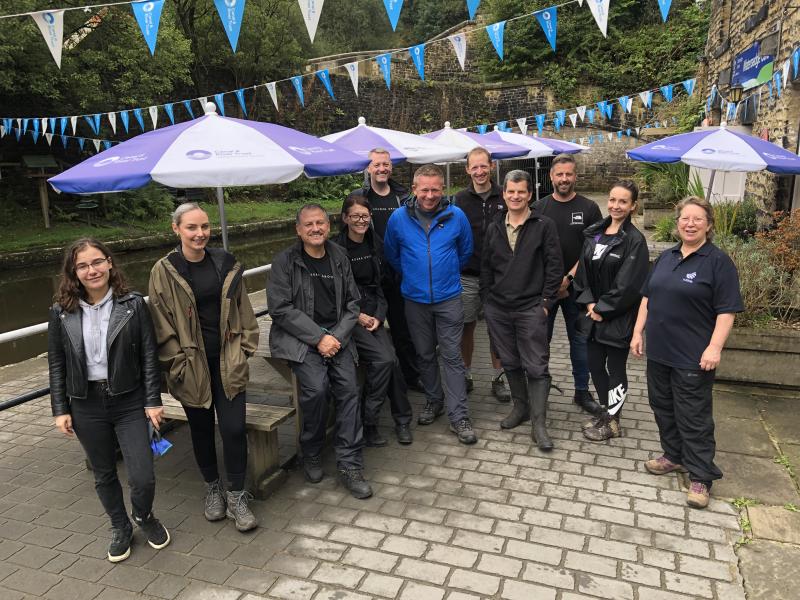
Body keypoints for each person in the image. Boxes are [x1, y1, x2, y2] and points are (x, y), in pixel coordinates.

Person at [48, 239, 170, 563]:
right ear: (74, 272)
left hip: (129, 401)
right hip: (86, 403)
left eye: (97, 262)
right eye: (83, 266)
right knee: (103, 473)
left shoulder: (132, 304)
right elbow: (57, 362)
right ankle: (120, 526)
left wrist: (153, 399)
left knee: (143, 475)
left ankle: (143, 516)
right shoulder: (61, 312)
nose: (92, 270)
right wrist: (60, 409)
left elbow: (148, 353)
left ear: (109, 263)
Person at [148, 203, 259, 531]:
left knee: (234, 428)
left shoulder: (225, 263)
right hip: (190, 366)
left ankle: (237, 494)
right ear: (176, 229)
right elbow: (159, 324)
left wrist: (245, 348)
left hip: (227, 360)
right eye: (192, 228)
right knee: (200, 429)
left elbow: (245, 310)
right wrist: (176, 363)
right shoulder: (164, 270)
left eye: (205, 227)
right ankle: (213, 488)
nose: (200, 234)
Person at [631, 196, 743, 509]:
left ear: (708, 225)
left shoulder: (717, 262)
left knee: (693, 417)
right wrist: (638, 332)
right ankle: (673, 455)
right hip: (660, 351)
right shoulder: (666, 257)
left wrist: (714, 347)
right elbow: (646, 298)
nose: (689, 224)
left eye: (697, 219)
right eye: (684, 218)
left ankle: (701, 475)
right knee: (662, 406)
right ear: (677, 222)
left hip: (694, 356)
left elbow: (727, 310)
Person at [267, 204, 372, 499]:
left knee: (350, 389)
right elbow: (280, 309)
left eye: (321, 223)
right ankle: (310, 450)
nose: (316, 229)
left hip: (337, 337)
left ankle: (350, 463)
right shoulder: (285, 262)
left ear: (328, 226)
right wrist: (318, 338)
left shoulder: (338, 256)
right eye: (309, 224)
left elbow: (353, 303)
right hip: (301, 339)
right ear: (298, 230)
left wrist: (335, 337)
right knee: (316, 390)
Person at [383, 164, 476, 444]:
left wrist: (445, 274)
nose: (430, 195)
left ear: (442, 189)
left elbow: (465, 252)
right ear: (414, 189)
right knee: (424, 354)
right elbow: (392, 255)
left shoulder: (456, 215)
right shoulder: (398, 219)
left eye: (435, 189)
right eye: (424, 189)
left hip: (449, 299)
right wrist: (414, 276)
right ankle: (434, 400)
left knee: (451, 357)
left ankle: (458, 415)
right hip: (414, 299)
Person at [480, 170, 563, 451]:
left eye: (521, 192)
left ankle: (539, 423)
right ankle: (520, 408)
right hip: (499, 308)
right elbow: (486, 266)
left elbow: (554, 266)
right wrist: (488, 301)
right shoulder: (494, 226)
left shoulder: (544, 225)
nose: (515, 197)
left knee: (536, 365)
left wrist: (546, 303)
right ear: (504, 194)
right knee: (510, 361)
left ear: (530, 195)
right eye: (510, 192)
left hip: (531, 307)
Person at [333, 195, 414, 446]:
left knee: (393, 361)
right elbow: (333, 293)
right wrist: (357, 316)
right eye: (355, 216)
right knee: (385, 359)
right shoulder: (335, 249)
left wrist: (378, 315)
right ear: (345, 218)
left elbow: (380, 286)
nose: (361, 221)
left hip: (372, 314)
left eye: (365, 216)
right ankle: (370, 422)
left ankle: (401, 421)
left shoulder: (374, 244)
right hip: (346, 317)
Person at [574, 180, 650, 442]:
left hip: (618, 318)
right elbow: (582, 273)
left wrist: (603, 308)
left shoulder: (635, 241)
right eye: (613, 200)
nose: (616, 206)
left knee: (616, 368)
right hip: (592, 314)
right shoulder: (595, 233)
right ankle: (606, 412)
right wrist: (589, 303)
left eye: (623, 202)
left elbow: (629, 284)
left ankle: (614, 422)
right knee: (595, 365)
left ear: (632, 206)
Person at [532, 154, 604, 417]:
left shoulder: (590, 209)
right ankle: (540, 391)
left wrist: (569, 278)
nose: (564, 179)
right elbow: (533, 250)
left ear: (576, 176)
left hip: (579, 288)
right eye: (559, 174)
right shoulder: (538, 208)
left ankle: (582, 392)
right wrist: (553, 282)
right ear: (551, 176)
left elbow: (593, 249)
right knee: (541, 342)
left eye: (569, 174)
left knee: (580, 341)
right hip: (545, 290)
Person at [346, 148, 421, 391]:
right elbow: (346, 234)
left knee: (404, 329)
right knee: (372, 330)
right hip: (369, 275)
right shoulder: (359, 196)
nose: (382, 169)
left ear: (391, 167)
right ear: (369, 168)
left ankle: (411, 376)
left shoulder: (402, 196)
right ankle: (378, 382)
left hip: (399, 271)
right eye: (377, 165)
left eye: (386, 164)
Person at [454, 147, 511, 401]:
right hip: (467, 274)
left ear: (492, 166)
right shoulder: (459, 199)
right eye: (474, 167)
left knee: (497, 328)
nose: (479, 171)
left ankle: (498, 378)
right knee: (466, 326)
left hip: (499, 276)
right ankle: (466, 375)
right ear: (467, 169)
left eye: (483, 166)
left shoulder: (505, 195)